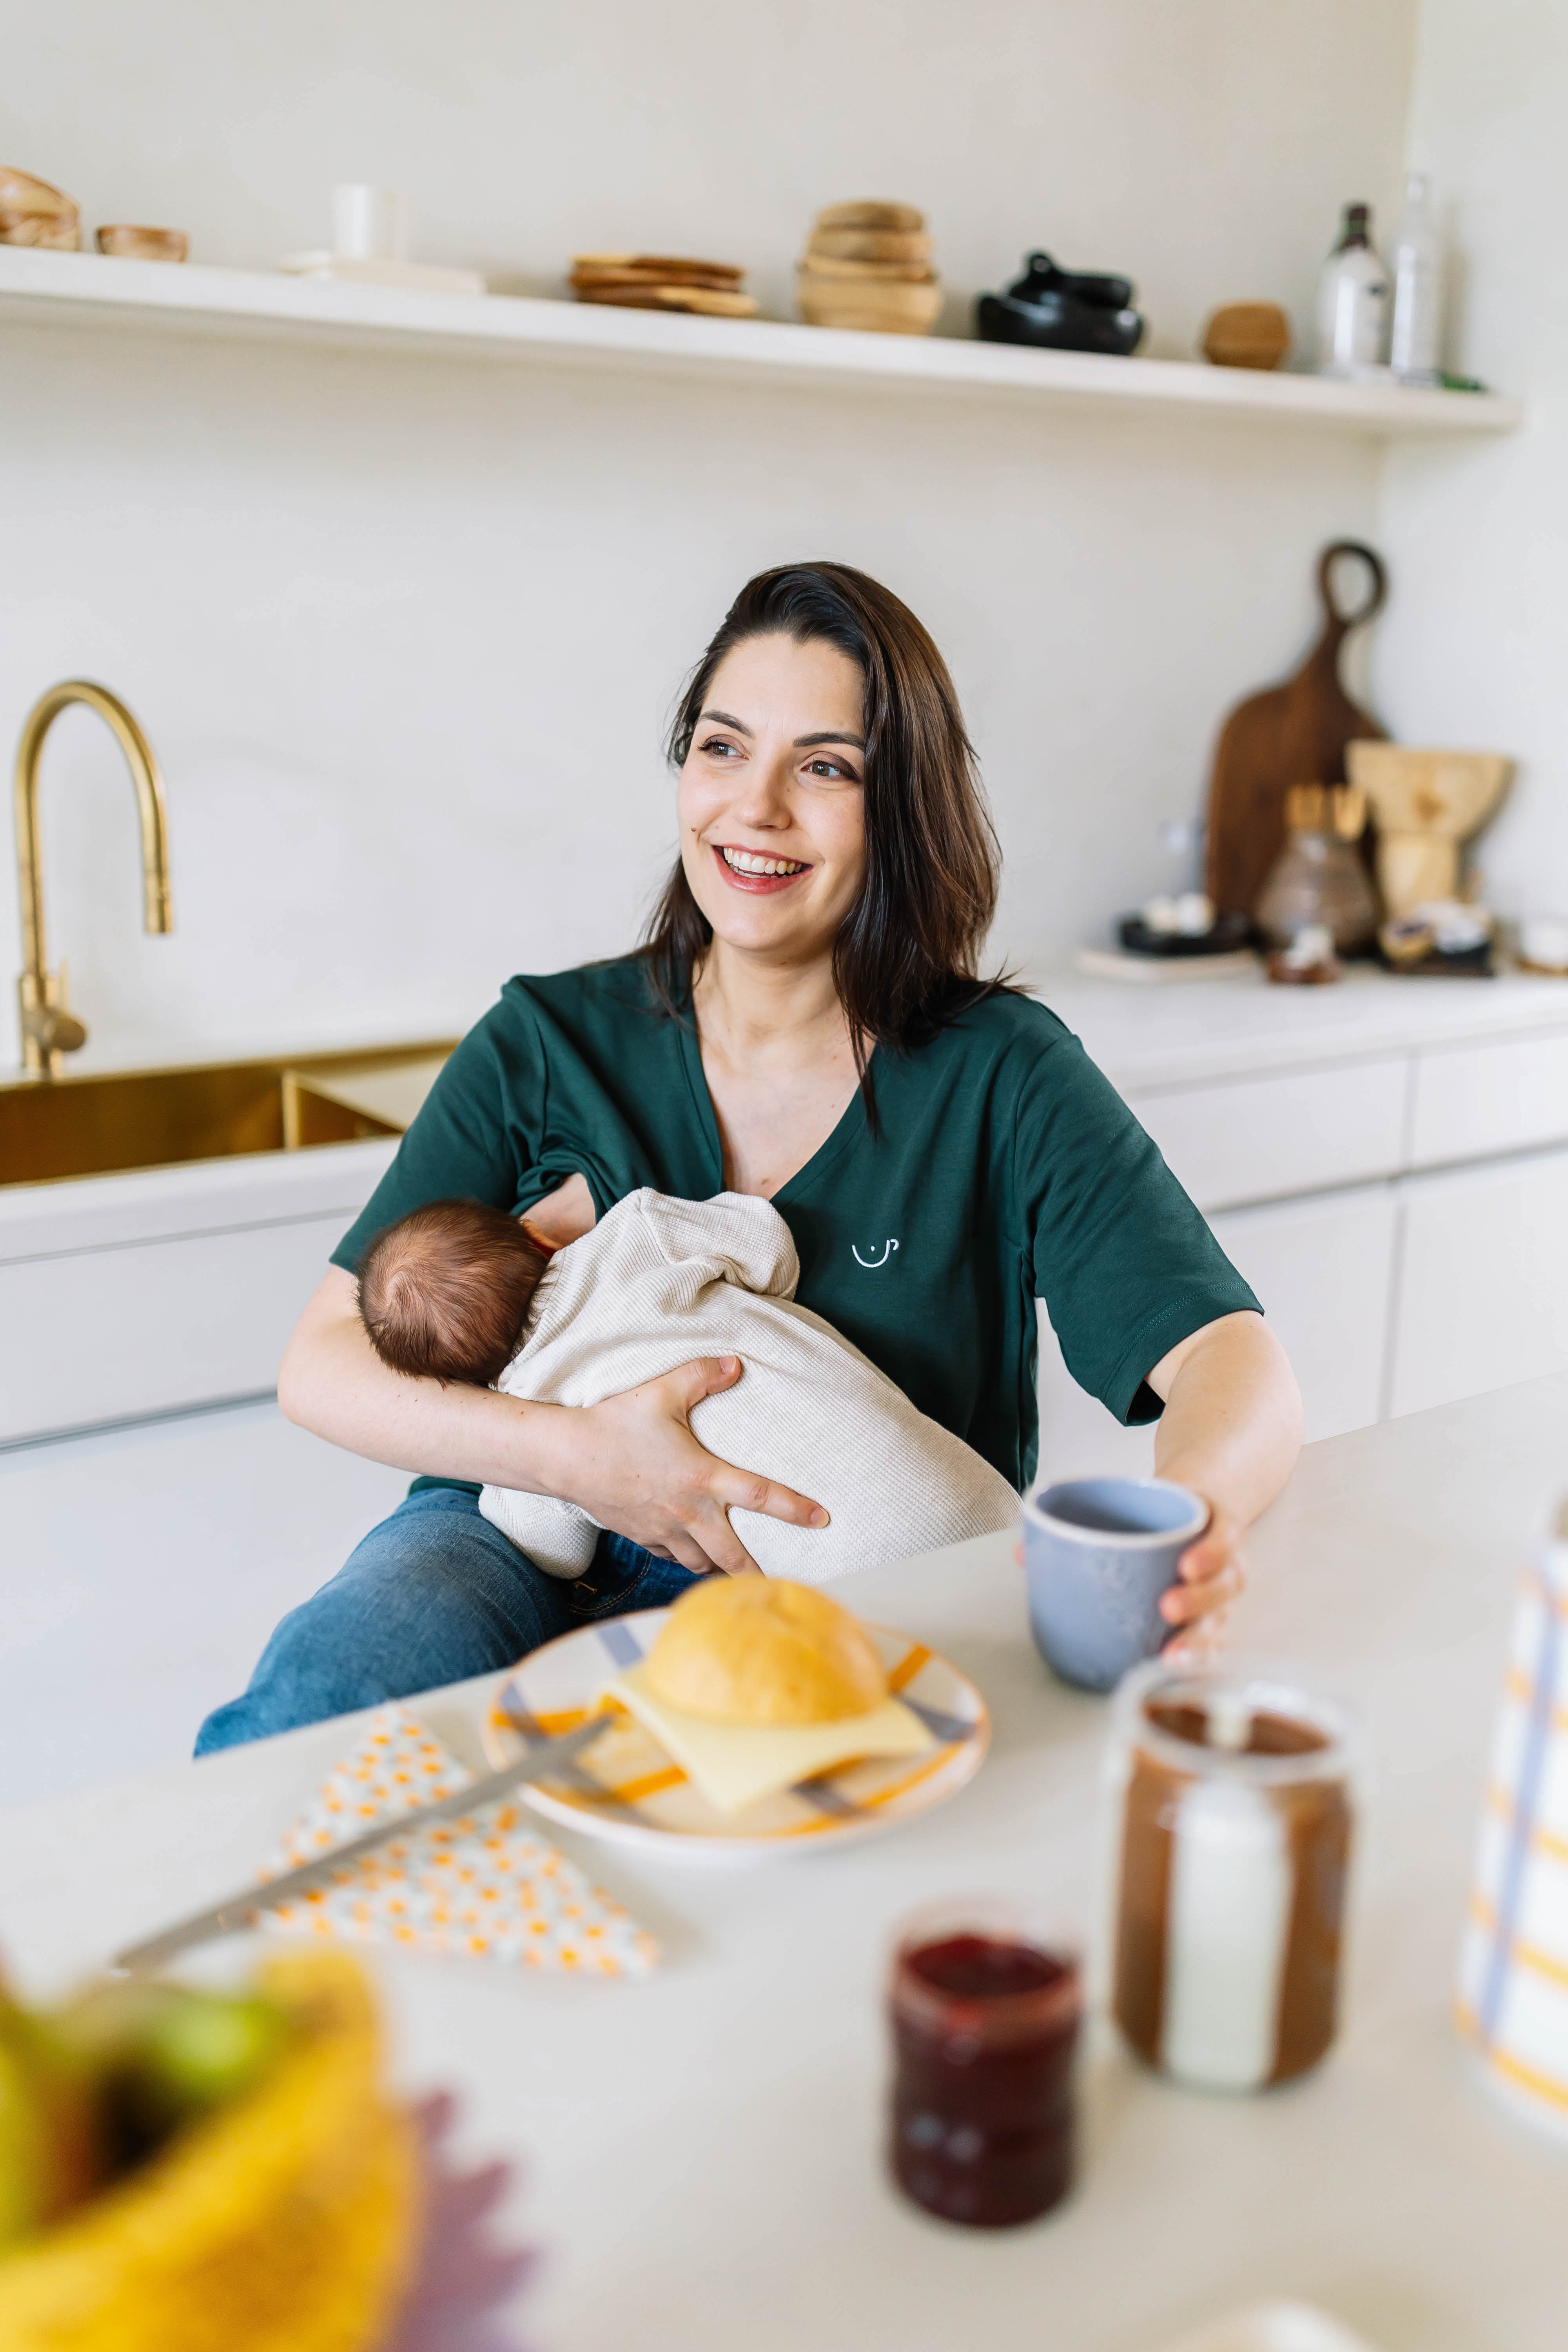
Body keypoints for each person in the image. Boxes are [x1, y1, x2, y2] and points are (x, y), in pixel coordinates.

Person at [196, 561, 1302, 1755]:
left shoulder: (1003, 1075)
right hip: (512, 1534)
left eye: (825, 766)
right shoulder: (547, 1041)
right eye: (723, 748)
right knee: (317, 1717)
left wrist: (1193, 1523)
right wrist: (587, 1459)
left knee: (735, 1838)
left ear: (904, 808)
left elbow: (1231, 1363)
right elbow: (323, 1364)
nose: (756, 806)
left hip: (832, 1586)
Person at [351, 1185, 1019, 1582]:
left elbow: (552, 1554)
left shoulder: (530, 1405)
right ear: (537, 1237)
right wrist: (764, 1305)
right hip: (965, 1495)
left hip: (843, 1578)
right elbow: (768, 1241)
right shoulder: (636, 1234)